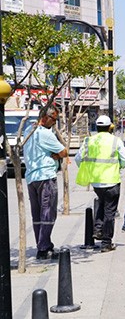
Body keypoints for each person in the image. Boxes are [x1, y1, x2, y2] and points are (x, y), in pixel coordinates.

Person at [75, 115, 125, 252]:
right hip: (111, 181)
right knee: (109, 212)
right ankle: (106, 242)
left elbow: (77, 158)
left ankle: (98, 229)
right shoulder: (115, 141)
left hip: (97, 182)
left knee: (101, 204)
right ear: (109, 126)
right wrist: (119, 167)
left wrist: (89, 168)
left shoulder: (89, 141)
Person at [24, 106, 68, 260]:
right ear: (46, 117)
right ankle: (44, 248)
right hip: (45, 176)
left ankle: (41, 243)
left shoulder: (29, 129)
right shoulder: (44, 134)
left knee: (37, 214)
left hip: (31, 177)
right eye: (54, 119)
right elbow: (64, 152)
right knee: (48, 213)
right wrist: (54, 155)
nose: (55, 123)